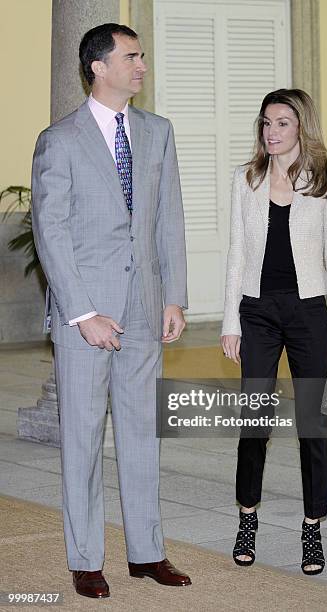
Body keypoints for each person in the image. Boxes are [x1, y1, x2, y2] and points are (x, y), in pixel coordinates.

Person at [31, 23, 191, 598]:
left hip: (146, 308)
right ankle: (86, 559)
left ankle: (147, 554)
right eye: (131, 57)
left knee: (142, 436)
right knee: (81, 438)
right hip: (87, 317)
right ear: (98, 66)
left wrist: (174, 296)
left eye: (142, 56)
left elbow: (167, 218)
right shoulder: (61, 139)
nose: (142, 65)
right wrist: (82, 313)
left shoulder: (157, 132)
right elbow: (51, 231)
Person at [221, 88, 327, 575]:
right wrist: (230, 322)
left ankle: (312, 527)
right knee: (253, 422)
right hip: (256, 311)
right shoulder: (246, 178)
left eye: (281, 123)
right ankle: (247, 517)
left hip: (309, 313)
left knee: (312, 425)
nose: (271, 132)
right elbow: (236, 252)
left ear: (301, 128)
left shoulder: (325, 182)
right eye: (266, 123)